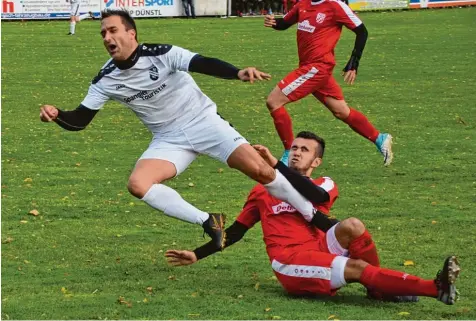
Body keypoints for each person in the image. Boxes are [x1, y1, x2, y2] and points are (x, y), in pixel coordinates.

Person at [39, 9, 328, 250]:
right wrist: (57, 114)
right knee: (138, 184)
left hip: (204, 122)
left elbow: (200, 62)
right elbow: (80, 119)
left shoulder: (161, 54)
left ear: (131, 34)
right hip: (168, 139)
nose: (107, 37)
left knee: (263, 172)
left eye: (112, 30)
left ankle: (312, 215)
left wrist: (236, 72)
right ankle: (208, 220)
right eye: (103, 33)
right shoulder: (105, 79)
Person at [166, 132, 461, 305]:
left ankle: (379, 287)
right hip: (290, 262)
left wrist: (277, 169)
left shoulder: (325, 183)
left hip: (320, 250)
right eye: (293, 148)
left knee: (353, 226)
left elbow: (316, 198)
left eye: (304, 150)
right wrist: (197, 253)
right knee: (357, 266)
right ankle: (434, 289)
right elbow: (237, 231)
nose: (296, 152)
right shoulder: (261, 192)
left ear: (316, 161)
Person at [263, 0, 394, 166]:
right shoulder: (303, 4)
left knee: (274, 101)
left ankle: (289, 153)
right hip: (310, 68)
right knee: (341, 111)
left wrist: (354, 61)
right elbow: (284, 23)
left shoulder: (335, 6)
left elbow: (362, 31)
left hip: (317, 68)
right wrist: (274, 22)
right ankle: (379, 138)